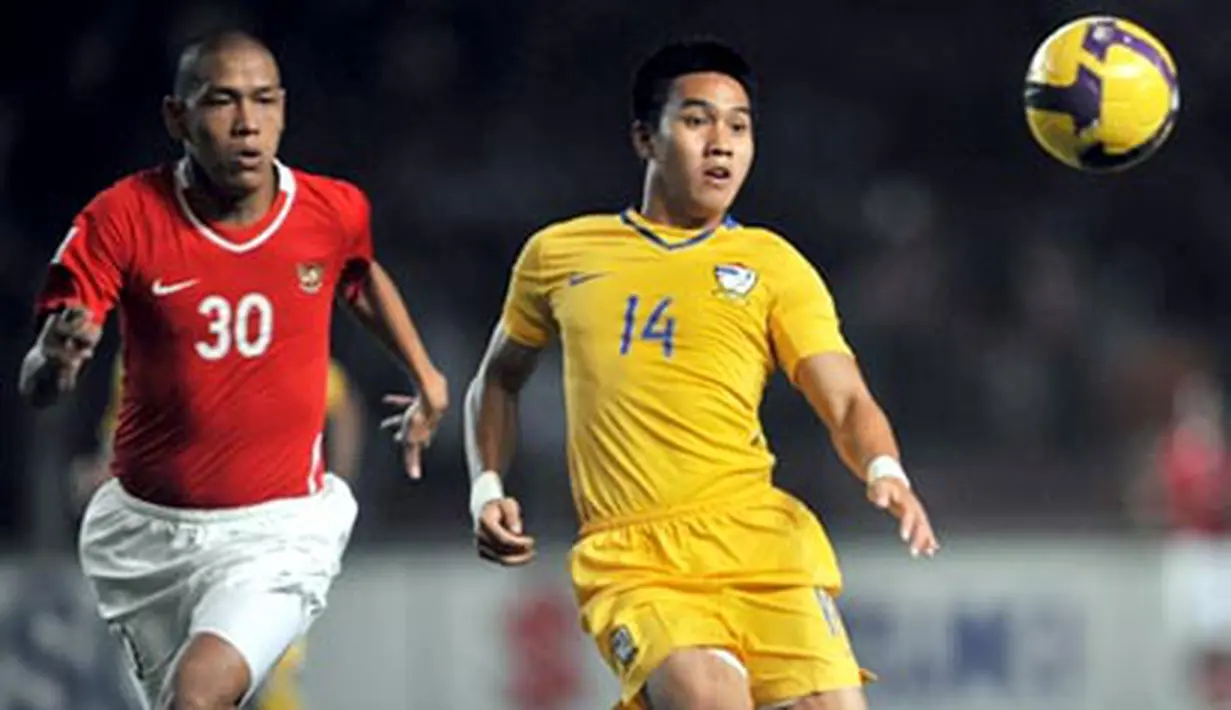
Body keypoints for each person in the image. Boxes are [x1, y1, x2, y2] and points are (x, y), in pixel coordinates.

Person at [460, 39, 938, 710]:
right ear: (643, 139)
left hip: (759, 542)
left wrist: (884, 469)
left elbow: (845, 398)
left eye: (738, 126)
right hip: (636, 557)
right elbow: (498, 379)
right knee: (706, 696)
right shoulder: (558, 254)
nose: (721, 143)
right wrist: (486, 487)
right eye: (696, 120)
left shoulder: (772, 263)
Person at [18, 30, 447, 710]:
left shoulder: (330, 210)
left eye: (263, 101)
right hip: (145, 537)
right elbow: (39, 380)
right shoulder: (121, 219)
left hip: (275, 531)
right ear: (176, 117)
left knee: (198, 697)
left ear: (284, 110)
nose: (247, 123)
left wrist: (426, 374)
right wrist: (55, 362)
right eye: (221, 102)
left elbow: (358, 277)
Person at [70, 355, 367, 710]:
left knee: (261, 682)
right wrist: (104, 477)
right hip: (170, 549)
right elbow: (121, 442)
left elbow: (341, 402)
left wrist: (332, 486)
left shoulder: (256, 336)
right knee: (183, 687)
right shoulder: (135, 351)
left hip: (259, 545)